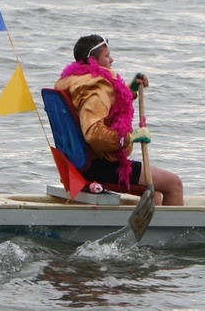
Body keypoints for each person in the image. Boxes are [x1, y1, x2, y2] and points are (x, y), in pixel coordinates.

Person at [55, 34, 184, 206]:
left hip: (82, 163)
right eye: (107, 56)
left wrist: (130, 90)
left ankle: (152, 230)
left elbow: (106, 107)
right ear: (93, 60)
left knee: (157, 193)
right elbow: (93, 133)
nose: (112, 60)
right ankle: (175, 233)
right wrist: (130, 137)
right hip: (99, 166)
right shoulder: (94, 89)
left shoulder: (77, 81)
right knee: (173, 184)